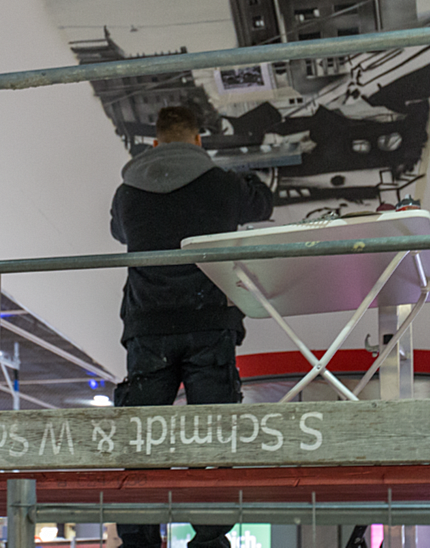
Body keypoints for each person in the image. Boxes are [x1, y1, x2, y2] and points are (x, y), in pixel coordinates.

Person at [110, 105, 274, 548]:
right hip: (209, 323)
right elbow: (263, 203)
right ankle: (208, 539)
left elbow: (117, 233)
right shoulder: (222, 184)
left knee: (143, 440)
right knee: (213, 439)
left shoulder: (126, 192)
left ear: (155, 143)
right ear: (199, 140)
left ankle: (139, 539)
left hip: (148, 326)